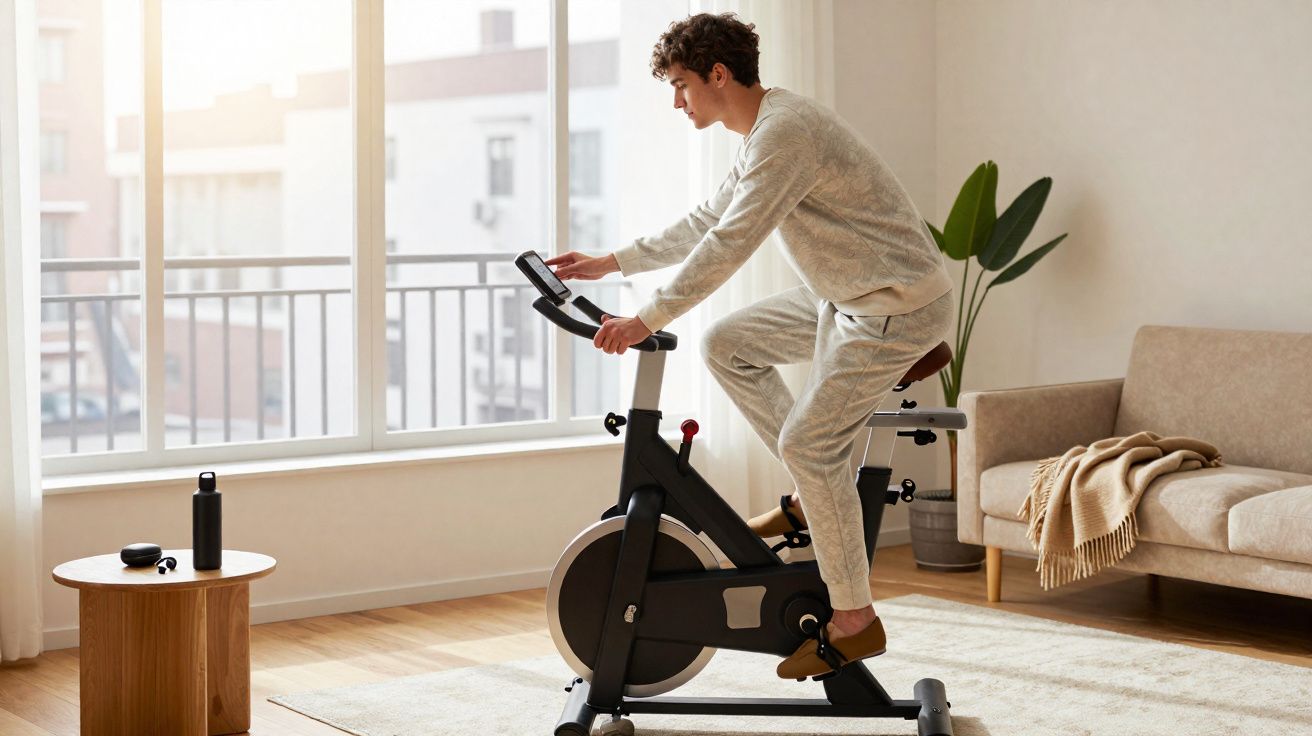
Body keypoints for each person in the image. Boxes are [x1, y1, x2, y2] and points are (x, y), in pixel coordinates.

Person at [546, 12, 953, 679]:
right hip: (846, 295)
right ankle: (811, 493)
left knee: (808, 442)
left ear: (717, 73)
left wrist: (645, 318)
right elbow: (711, 220)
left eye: (680, 86)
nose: (676, 101)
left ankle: (855, 620)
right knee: (726, 342)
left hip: (896, 304)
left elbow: (731, 244)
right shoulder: (764, 130)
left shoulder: (785, 135)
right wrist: (610, 262)